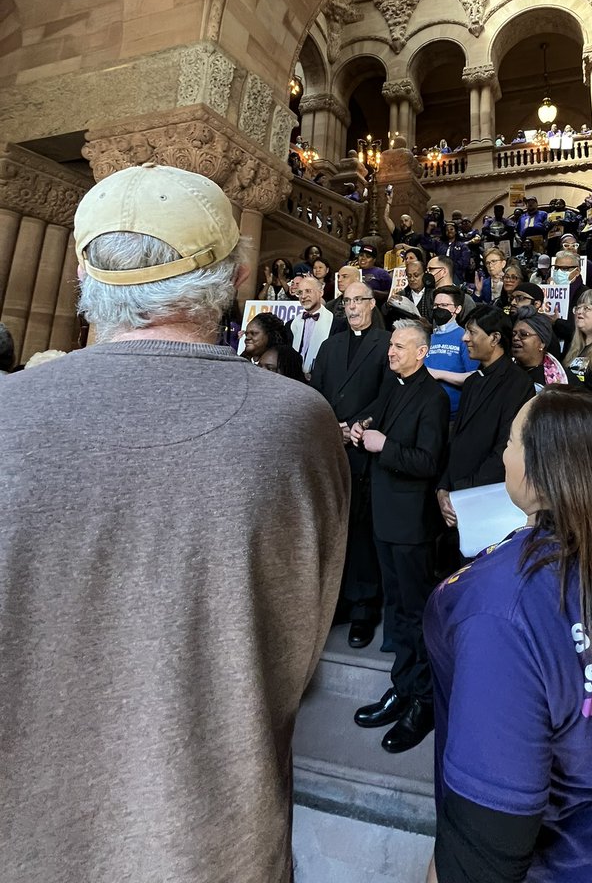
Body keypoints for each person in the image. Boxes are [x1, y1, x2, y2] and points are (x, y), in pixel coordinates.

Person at [0, 163, 349, 883]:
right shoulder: (297, 421)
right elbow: (298, 636)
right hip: (208, 835)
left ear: (81, 273)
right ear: (239, 274)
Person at [423, 390, 592, 883]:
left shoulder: (502, 609)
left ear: (544, 476)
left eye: (511, 442)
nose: (504, 454)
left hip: (567, 861)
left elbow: (489, 842)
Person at [351, 321, 450, 753]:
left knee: (415, 615)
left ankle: (423, 703)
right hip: (384, 519)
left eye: (398, 346)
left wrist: (381, 445)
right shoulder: (395, 384)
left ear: (422, 352)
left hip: (411, 526)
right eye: (390, 344)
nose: (390, 351)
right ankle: (403, 688)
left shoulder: (432, 397)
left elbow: (427, 461)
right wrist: (361, 426)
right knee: (397, 613)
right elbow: (375, 414)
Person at [312, 281, 391, 649]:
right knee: (333, 529)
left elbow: (388, 396)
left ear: (372, 304)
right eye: (347, 301)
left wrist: (357, 425)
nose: (353, 306)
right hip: (332, 447)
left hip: (363, 447)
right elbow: (320, 393)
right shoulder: (330, 346)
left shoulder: (386, 343)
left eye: (359, 300)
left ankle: (364, 607)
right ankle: (338, 603)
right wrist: (332, 427)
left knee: (361, 533)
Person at [436, 305, 534, 531]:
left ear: (495, 338)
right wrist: (443, 487)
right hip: (456, 503)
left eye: (472, 332)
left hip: (488, 504)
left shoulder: (518, 384)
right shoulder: (471, 382)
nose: (464, 338)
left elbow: (506, 448)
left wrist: (462, 492)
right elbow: (456, 439)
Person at [425, 285, 477, 420]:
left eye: (444, 305)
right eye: (436, 305)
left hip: (453, 415)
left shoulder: (465, 338)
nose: (439, 309)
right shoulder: (428, 338)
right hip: (428, 412)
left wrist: (439, 374)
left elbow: (474, 377)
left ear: (458, 309)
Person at [511, 306, 570, 389]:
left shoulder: (563, 379)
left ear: (542, 343)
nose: (515, 338)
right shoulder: (503, 370)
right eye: (513, 334)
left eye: (524, 334)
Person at [288, 274, 334, 378]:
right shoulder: (291, 325)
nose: (303, 296)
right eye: (300, 292)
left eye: (308, 291)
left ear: (321, 292)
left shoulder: (336, 325)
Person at [428, 254, 476, 318]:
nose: (427, 273)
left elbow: (471, 325)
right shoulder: (428, 296)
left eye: (431, 269)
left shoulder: (465, 299)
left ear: (444, 272)